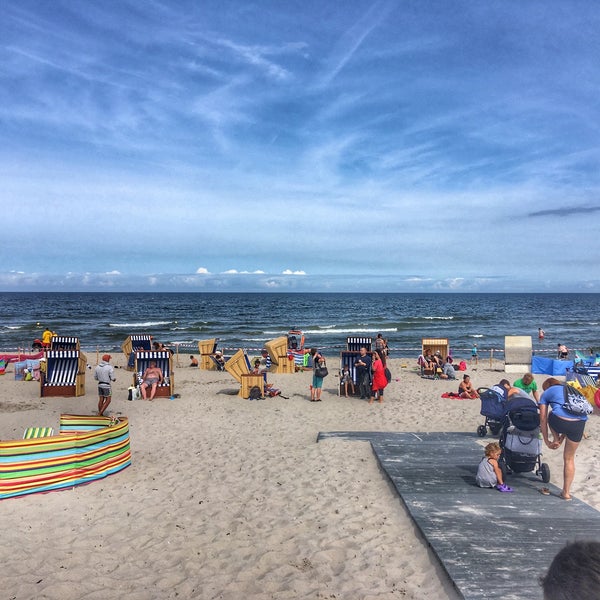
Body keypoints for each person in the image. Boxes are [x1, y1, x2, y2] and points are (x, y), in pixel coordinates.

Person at [539, 377, 588, 501]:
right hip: (579, 424)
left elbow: (543, 419)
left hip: (559, 421)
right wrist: (563, 437)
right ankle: (566, 493)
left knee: (551, 414)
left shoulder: (547, 392)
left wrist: (547, 440)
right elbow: (573, 414)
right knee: (569, 459)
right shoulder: (572, 390)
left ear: (547, 386)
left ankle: (556, 438)